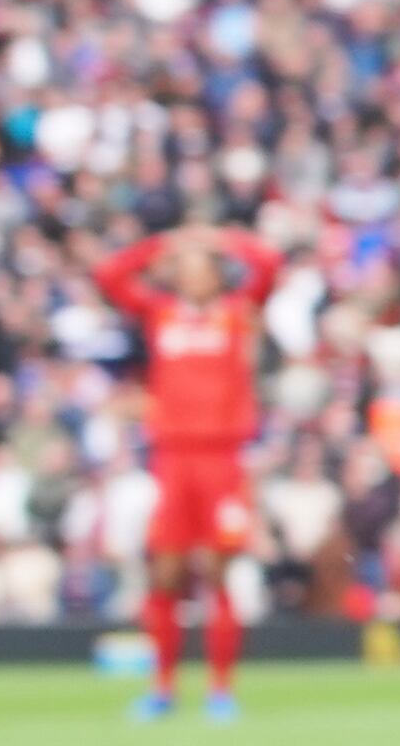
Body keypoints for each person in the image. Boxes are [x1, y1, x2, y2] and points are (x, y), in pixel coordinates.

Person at [93, 223, 282, 720]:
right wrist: (162, 243)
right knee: (167, 573)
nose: (192, 279)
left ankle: (221, 688)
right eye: (185, 270)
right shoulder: (161, 313)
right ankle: (164, 686)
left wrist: (221, 239)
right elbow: (110, 275)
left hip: (222, 457)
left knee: (218, 573)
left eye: (202, 270)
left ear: (217, 275)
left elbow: (269, 266)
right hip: (173, 457)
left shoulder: (237, 313)